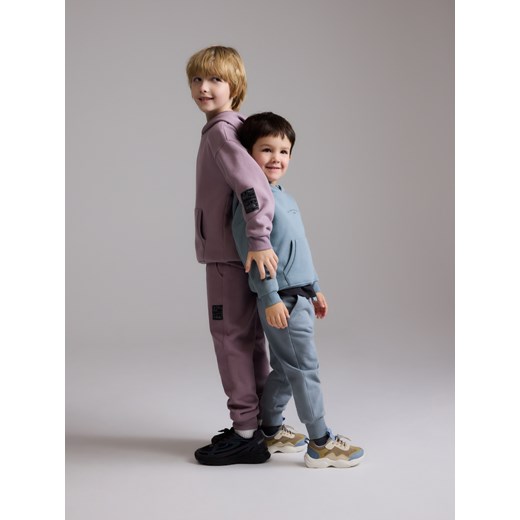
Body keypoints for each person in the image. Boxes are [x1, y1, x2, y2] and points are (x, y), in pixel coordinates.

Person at [186, 46, 305, 466]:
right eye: (197, 79)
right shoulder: (234, 128)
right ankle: (262, 426)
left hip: (228, 257)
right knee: (250, 340)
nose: (204, 87)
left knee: (230, 340)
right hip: (239, 255)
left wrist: (258, 240)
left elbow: (253, 190)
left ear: (235, 85)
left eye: (215, 79)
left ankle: (245, 433)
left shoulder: (222, 132)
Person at [232, 112, 365, 468]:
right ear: (247, 153)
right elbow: (253, 254)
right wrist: (270, 297)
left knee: (286, 370)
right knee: (305, 369)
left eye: (284, 151)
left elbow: (299, 247)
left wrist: (315, 287)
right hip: (283, 300)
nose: (276, 158)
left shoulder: (283, 196)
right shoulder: (250, 200)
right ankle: (320, 443)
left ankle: (270, 428)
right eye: (266, 149)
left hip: (300, 294)